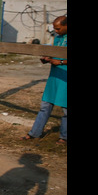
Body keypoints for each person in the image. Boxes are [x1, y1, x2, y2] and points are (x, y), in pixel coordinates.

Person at [22, 15, 67, 144]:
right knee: (45, 105)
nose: (56, 31)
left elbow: (61, 60)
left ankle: (63, 137)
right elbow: (54, 54)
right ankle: (35, 133)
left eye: (58, 28)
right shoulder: (57, 39)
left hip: (65, 78)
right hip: (54, 77)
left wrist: (62, 62)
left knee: (65, 108)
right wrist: (47, 59)